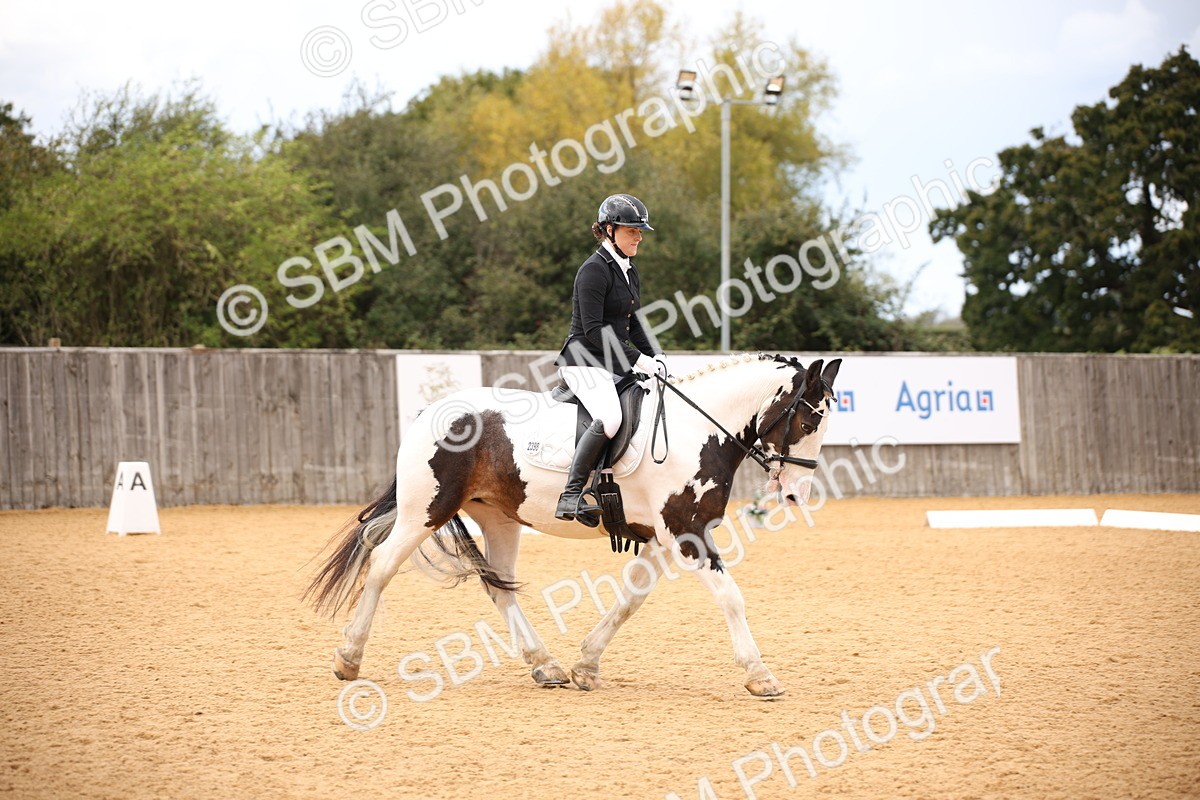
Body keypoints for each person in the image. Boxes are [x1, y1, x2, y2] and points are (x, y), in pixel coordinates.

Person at [553, 193, 668, 526]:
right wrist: (638, 361)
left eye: (639, 230)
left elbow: (636, 323)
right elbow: (593, 331)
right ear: (608, 230)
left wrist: (656, 355)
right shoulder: (593, 271)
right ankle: (571, 494)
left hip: (612, 362)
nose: (639, 236)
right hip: (583, 359)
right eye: (632, 230)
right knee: (610, 417)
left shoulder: (629, 271)